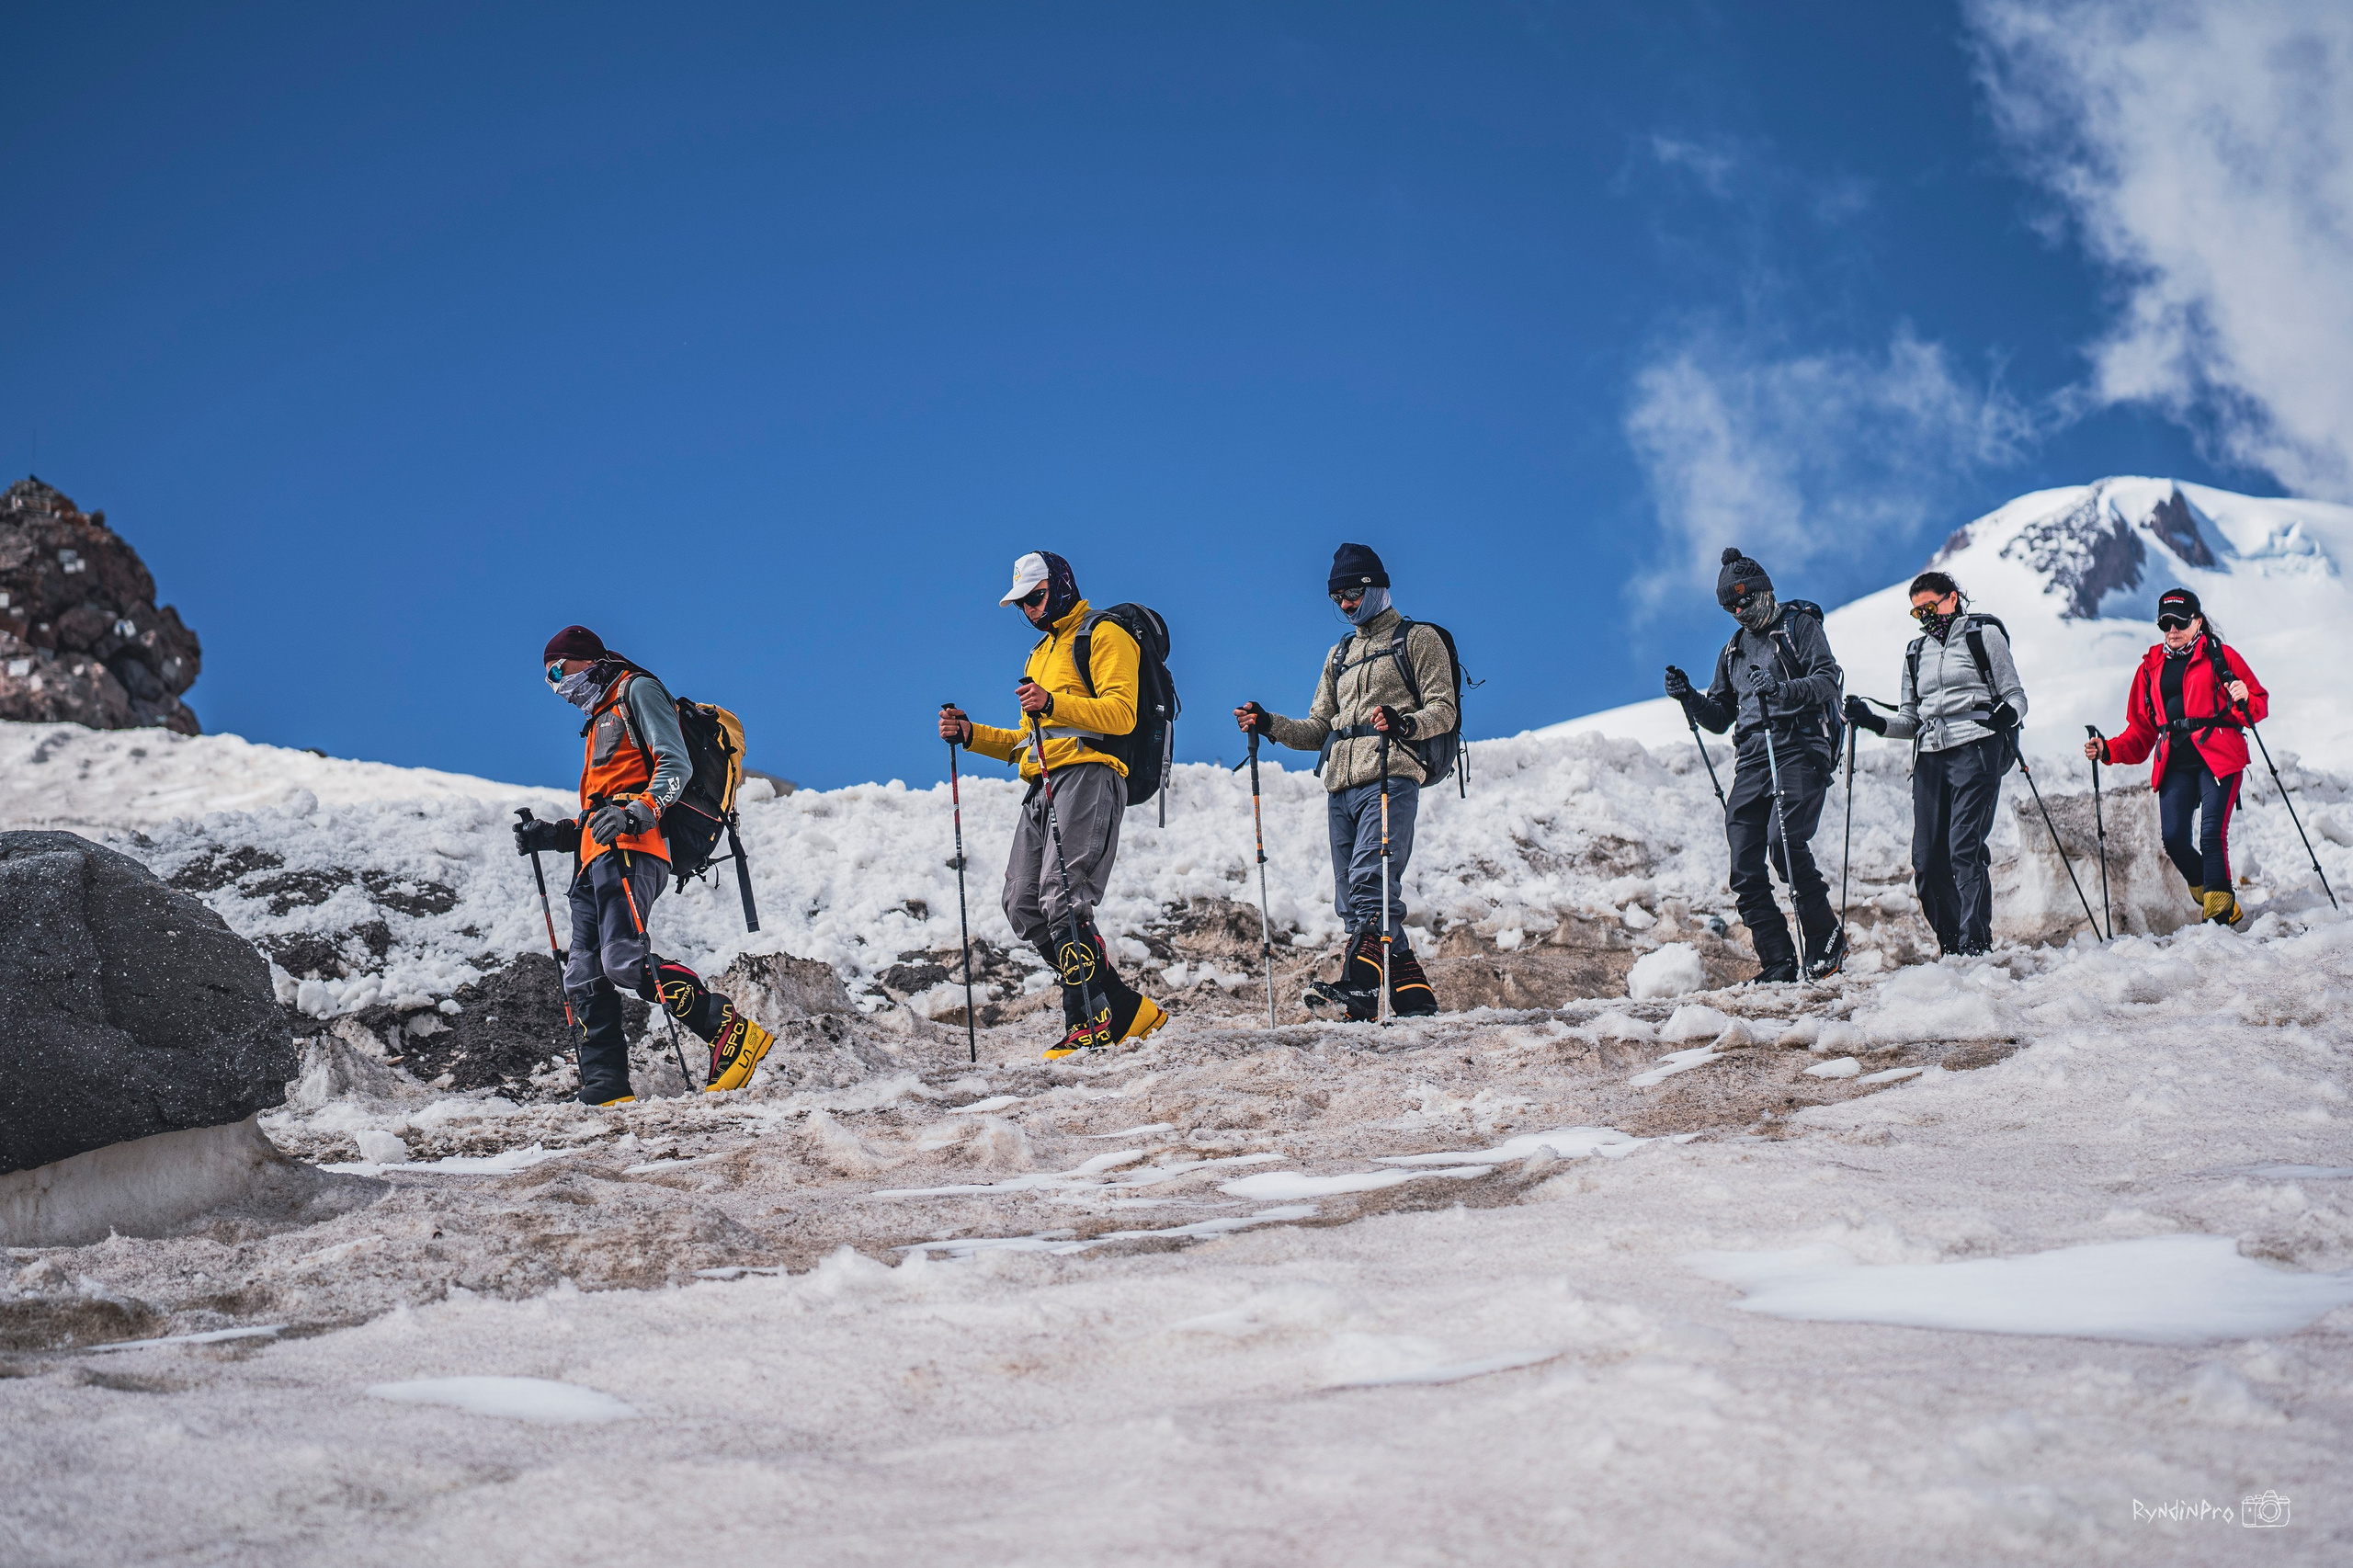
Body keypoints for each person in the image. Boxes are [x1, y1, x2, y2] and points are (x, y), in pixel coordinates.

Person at [512, 626, 775, 1104]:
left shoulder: (637, 689)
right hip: (593, 861)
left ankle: (730, 1032)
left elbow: (676, 766)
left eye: (557, 671)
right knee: (583, 973)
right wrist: (552, 835)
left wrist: (638, 813)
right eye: (547, 679)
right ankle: (607, 1085)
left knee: (622, 960)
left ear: (584, 660)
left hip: (636, 849)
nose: (555, 686)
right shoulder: (597, 719)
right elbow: (600, 810)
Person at [938, 551, 1168, 1059]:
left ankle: (1089, 1019)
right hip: (1042, 783)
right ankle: (1125, 1008)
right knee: (1021, 901)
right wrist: (972, 734)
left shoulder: (1104, 635)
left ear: (1061, 586)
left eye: (1036, 599)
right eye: (1022, 604)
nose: (1031, 612)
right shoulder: (1040, 654)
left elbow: (1121, 714)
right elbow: (1027, 739)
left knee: (1063, 895)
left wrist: (1053, 703)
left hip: (1090, 773)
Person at [1233, 542, 1456, 1018]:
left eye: (1352, 593)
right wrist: (1268, 722)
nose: (1345, 605)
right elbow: (1319, 728)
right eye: (1337, 598)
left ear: (1377, 587)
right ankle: (1414, 997)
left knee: (1370, 883)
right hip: (1341, 787)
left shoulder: (1419, 640)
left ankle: (1356, 990)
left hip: (1389, 775)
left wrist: (1403, 724)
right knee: (1352, 901)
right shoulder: (1340, 655)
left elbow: (1443, 708)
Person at [1665, 547, 1847, 982]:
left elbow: (1827, 679)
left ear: (1764, 589)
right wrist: (1689, 696)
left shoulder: (1798, 625)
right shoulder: (1733, 650)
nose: (1740, 610)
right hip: (1750, 758)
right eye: (1730, 606)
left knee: (1784, 844)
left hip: (1798, 748)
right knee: (1744, 867)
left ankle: (1825, 941)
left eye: (1744, 600)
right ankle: (1778, 962)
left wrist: (1781, 690)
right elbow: (1719, 715)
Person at [1843, 571, 2028, 958]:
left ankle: (1974, 943)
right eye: (1917, 612)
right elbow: (1910, 720)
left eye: (1930, 606)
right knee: (1926, 860)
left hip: (1977, 748)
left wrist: (2004, 717)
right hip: (1929, 756)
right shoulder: (1915, 653)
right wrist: (1872, 720)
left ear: (1953, 598)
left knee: (1964, 847)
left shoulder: (1983, 636)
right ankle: (1952, 946)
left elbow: (2015, 695)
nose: (1925, 617)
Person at [2084, 587, 2267, 926]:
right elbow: (2141, 733)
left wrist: (2244, 696)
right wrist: (2108, 749)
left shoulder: (2221, 657)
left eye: (2180, 622)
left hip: (2219, 756)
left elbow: (2257, 705)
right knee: (2174, 840)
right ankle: (2217, 892)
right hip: (2175, 762)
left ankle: (2219, 920)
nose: (2172, 630)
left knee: (2211, 835)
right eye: (2165, 623)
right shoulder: (2150, 667)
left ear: (2198, 621)